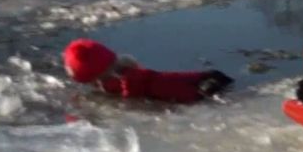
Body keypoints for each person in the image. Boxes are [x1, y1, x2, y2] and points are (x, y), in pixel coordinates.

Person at [63, 38, 233, 103]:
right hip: (205, 82)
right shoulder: (126, 78)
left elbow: (132, 101)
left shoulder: (129, 82)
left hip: (208, 86)